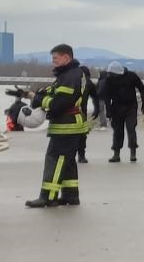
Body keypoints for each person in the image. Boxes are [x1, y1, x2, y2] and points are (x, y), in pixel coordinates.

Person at [26, 44, 96, 209]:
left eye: (55, 59)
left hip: (67, 126)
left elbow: (59, 103)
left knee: (55, 159)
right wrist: (37, 94)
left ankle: (48, 197)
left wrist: (38, 100)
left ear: (66, 57)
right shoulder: (70, 75)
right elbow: (55, 93)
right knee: (68, 161)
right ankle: (70, 195)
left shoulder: (70, 77)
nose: (53, 62)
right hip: (70, 125)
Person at [97, 64, 144, 163]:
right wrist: (108, 111)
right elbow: (106, 97)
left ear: (118, 73)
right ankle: (116, 154)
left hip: (131, 107)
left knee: (131, 128)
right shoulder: (109, 79)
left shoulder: (131, 76)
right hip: (116, 107)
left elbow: (141, 88)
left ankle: (133, 153)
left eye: (112, 74)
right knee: (117, 131)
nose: (111, 75)